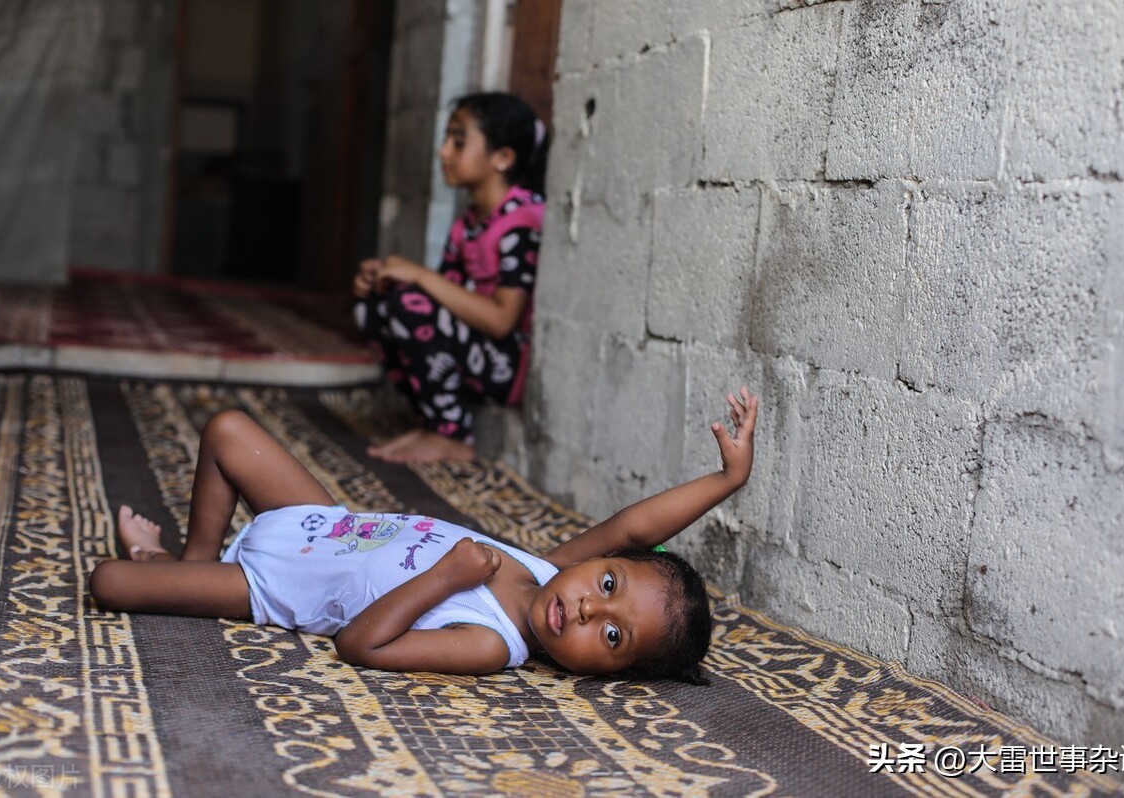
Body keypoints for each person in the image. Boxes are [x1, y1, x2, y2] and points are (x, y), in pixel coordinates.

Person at [90, 387, 759, 683]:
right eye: (608, 584)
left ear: (611, 674)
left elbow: (361, 646)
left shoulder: (493, 643)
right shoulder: (543, 569)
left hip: (273, 585)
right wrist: (724, 482)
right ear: (604, 562)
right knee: (228, 429)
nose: (588, 608)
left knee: (111, 582)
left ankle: (167, 566)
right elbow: (635, 525)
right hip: (325, 521)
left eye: (612, 636)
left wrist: (447, 578)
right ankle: (189, 559)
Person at [354, 92, 548, 463]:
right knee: (376, 305)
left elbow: (502, 320)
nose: (444, 152)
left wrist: (419, 276)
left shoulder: (522, 220)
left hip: (506, 366)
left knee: (409, 303)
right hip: (477, 355)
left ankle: (453, 434)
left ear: (503, 158)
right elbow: (446, 297)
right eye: (447, 140)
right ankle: (433, 422)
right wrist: (386, 279)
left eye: (458, 141)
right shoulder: (469, 223)